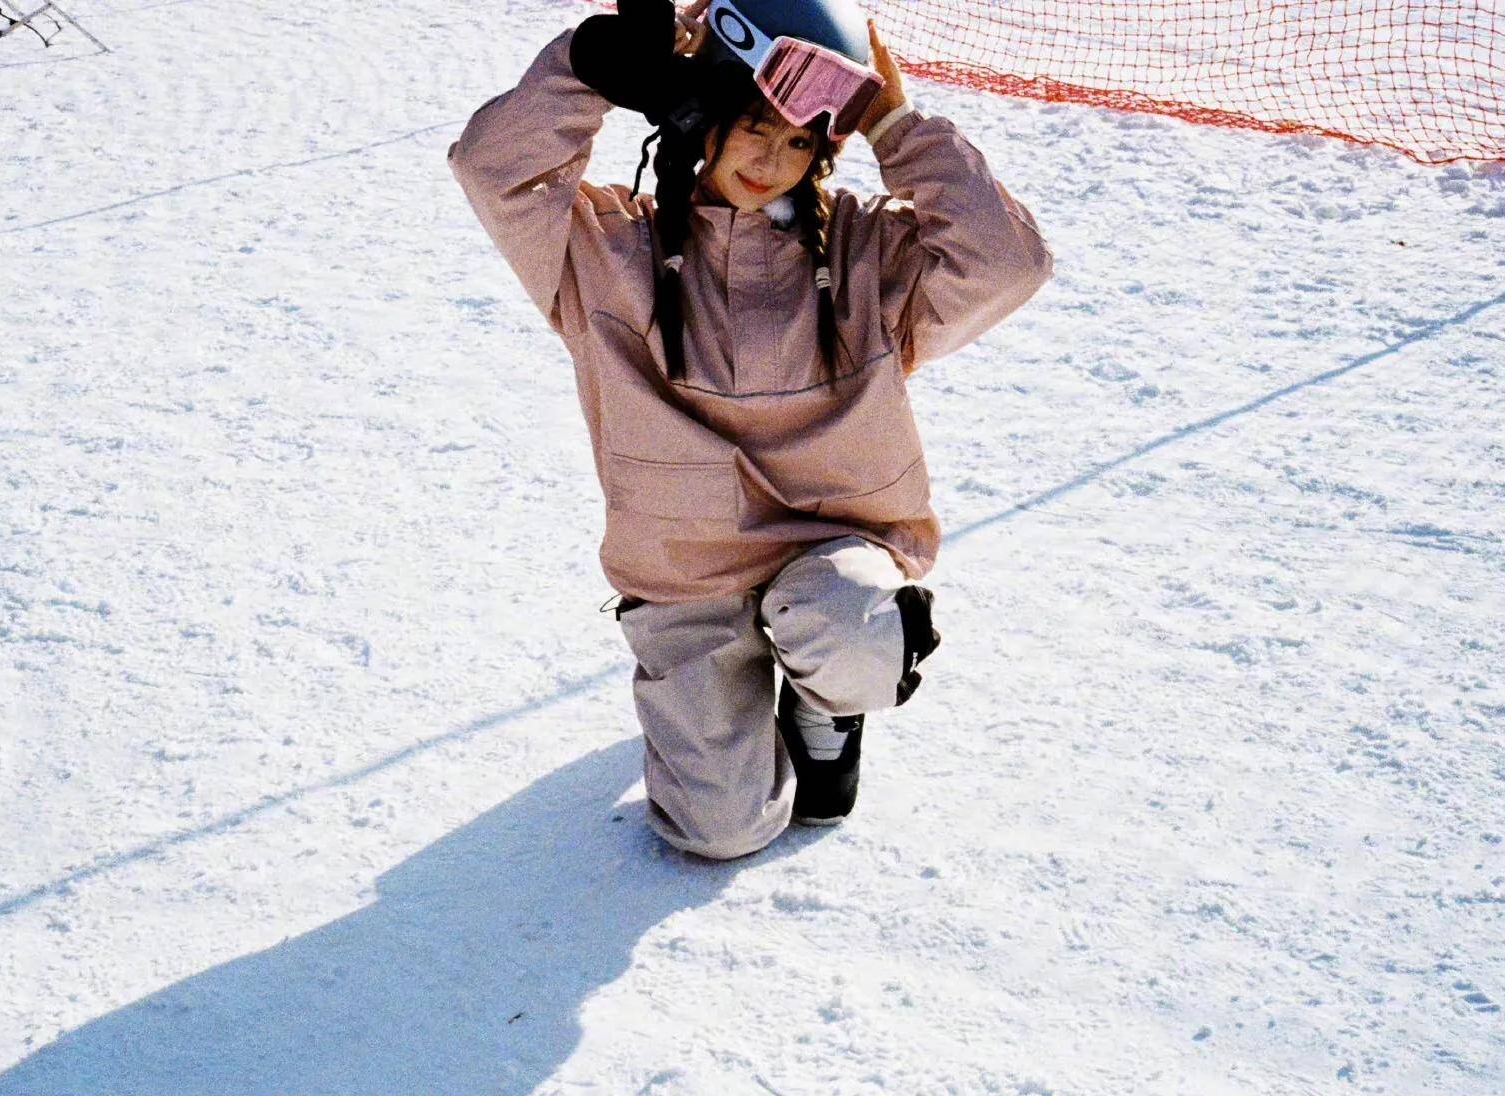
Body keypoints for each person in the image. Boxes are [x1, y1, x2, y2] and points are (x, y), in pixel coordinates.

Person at [447, 0, 1052, 860]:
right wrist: (585, 66)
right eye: (755, 128)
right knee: (721, 832)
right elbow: (493, 171)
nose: (775, 160)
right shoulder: (607, 253)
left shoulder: (862, 252)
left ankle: (823, 704)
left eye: (803, 139)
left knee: (850, 627)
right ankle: (712, 704)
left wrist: (894, 120)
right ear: (700, 117)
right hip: (687, 570)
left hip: (832, 547)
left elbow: (1009, 260)